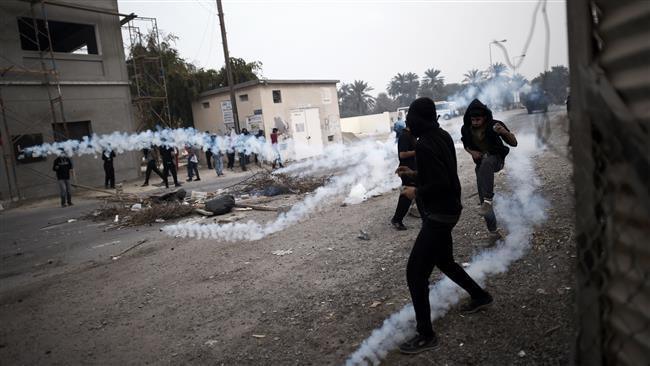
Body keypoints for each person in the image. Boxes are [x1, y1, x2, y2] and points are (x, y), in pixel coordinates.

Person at [395, 97, 493, 354]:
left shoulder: (425, 144)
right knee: (445, 262)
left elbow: (439, 183)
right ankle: (480, 296)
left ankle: (426, 335)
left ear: (418, 120)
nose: (407, 125)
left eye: (409, 120)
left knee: (415, 274)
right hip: (449, 209)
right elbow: (443, 173)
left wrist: (413, 191)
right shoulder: (442, 135)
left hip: (439, 215)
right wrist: (413, 174)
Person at [460, 99, 518, 243]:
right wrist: (472, 152)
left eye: (478, 120)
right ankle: (494, 233)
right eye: (472, 119)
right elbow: (466, 144)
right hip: (481, 164)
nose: (475, 122)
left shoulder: (494, 125)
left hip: (496, 159)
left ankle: (488, 199)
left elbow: (514, 143)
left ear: (485, 117)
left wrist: (504, 132)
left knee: (487, 165)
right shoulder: (466, 128)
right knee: (483, 202)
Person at [391, 125, 417, 230]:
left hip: (412, 169)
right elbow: (402, 154)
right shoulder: (404, 136)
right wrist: (418, 150)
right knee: (406, 195)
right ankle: (397, 219)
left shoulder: (411, 135)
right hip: (406, 170)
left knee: (413, 193)